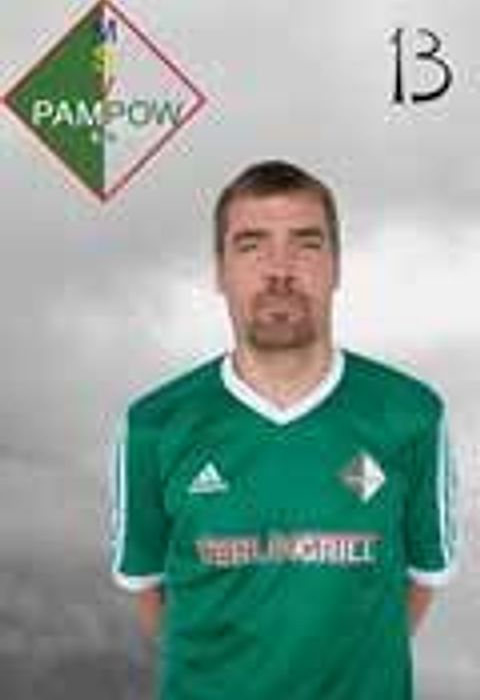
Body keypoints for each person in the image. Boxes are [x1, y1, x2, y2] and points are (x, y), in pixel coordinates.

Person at [110, 160, 457, 700]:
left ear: (337, 266)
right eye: (251, 245)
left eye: (306, 244)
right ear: (220, 271)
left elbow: (422, 580)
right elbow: (147, 590)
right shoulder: (155, 425)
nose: (280, 269)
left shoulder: (410, 414)